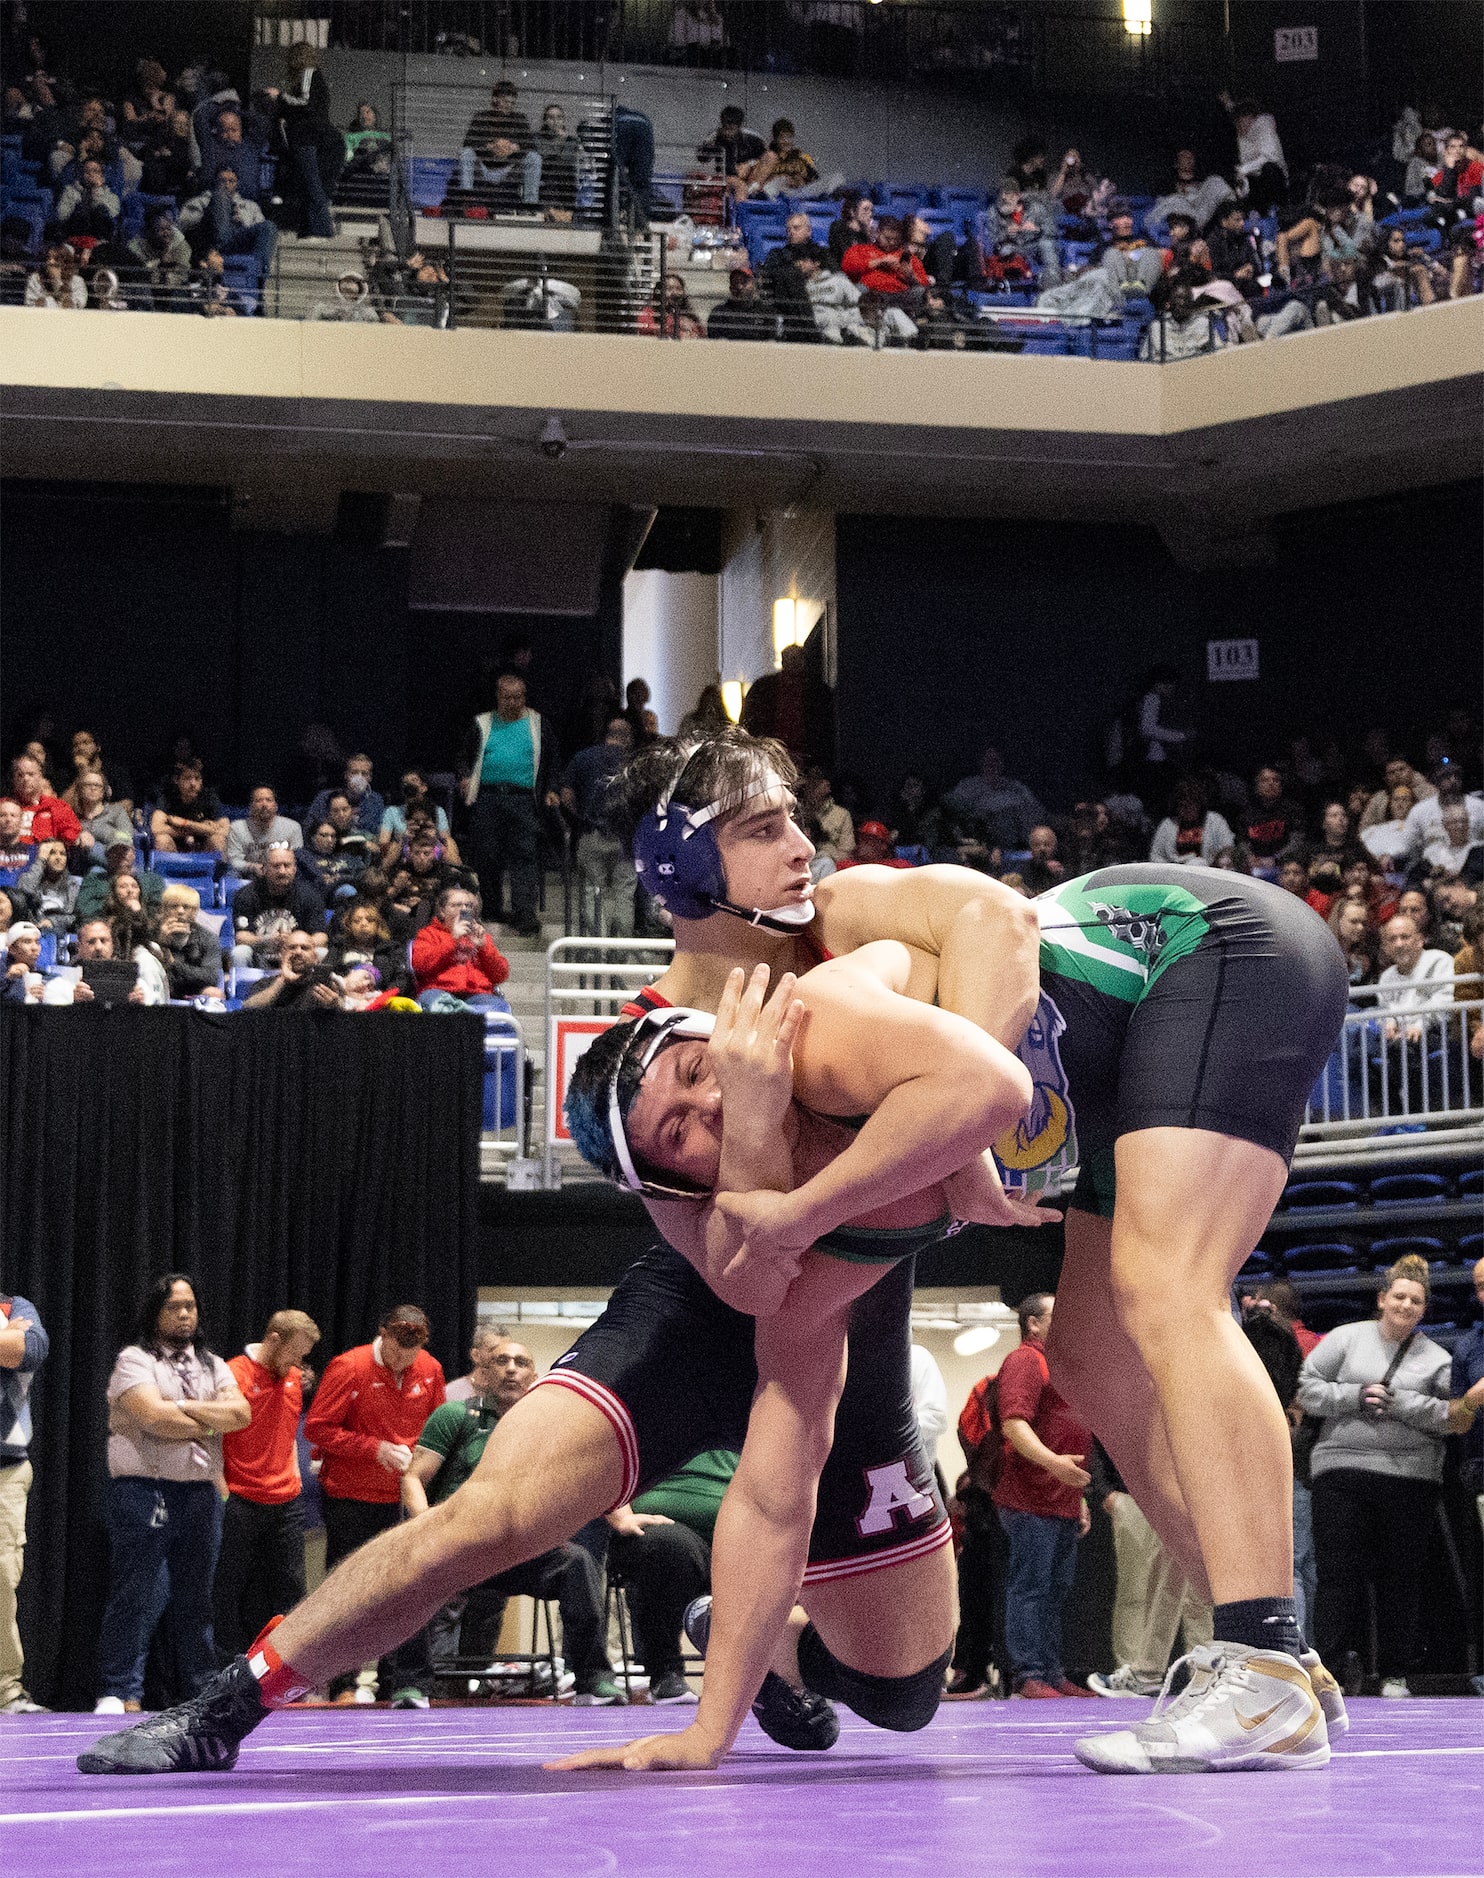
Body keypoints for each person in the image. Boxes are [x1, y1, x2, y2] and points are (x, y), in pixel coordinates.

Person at [76, 732, 1045, 1778]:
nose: (802, 847)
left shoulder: (840, 920)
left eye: (793, 819)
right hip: (712, 1298)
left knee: (903, 1695)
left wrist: (968, 1133)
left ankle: (778, 1649)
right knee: (487, 1517)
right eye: (763, 829)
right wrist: (776, 1125)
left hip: (847, 1299)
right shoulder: (645, 1045)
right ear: (682, 866)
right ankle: (230, 1702)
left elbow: (999, 917)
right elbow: (737, 1267)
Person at [398, 1335, 624, 1707]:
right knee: (410, 1565)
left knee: (577, 1563)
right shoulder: (456, 1416)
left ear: (534, 1375)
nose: (511, 1370)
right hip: (456, 1546)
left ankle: (593, 1679)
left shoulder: (548, 1429)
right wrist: (423, 1527)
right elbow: (412, 1477)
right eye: (501, 1361)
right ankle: (411, 1684)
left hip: (516, 1551)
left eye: (521, 1363)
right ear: (483, 1374)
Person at [1298, 1255, 1483, 1696]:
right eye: (1398, 1296)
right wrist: (1356, 1397)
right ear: (1382, 1299)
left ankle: (1396, 1670)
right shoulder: (1345, 1339)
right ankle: (1332, 1671)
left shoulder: (1438, 1358)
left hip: (1411, 1478)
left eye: (1415, 1301)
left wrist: (1400, 1403)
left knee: (1402, 1577)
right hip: (1340, 1471)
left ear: (1424, 1309)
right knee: (1338, 1575)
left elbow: (1454, 1417)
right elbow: (1305, 1388)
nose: (1405, 1305)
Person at [95, 1276, 249, 1714]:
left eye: (191, 1306)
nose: (185, 1314)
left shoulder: (213, 1364)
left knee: (196, 1598)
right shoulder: (134, 1360)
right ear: (155, 1313)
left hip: (200, 1494)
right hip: (144, 1490)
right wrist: (209, 1420)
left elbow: (242, 1414)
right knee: (137, 1593)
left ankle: (200, 1690)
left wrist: (179, 1410)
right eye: (174, 1307)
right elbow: (151, 1417)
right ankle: (119, 1689)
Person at [302, 1307, 445, 1701]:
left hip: (402, 1499)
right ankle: (344, 1682)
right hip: (350, 1497)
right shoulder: (349, 1366)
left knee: (404, 1588)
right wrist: (373, 1448)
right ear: (382, 1334)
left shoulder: (430, 1369)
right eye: (397, 1349)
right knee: (350, 1589)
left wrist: (418, 1459)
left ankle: (399, 1681)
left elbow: (438, 1428)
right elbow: (318, 1427)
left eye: (411, 1352)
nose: (403, 1360)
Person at [992, 1292, 1095, 1698]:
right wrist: (1054, 1465)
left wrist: (1078, 1497)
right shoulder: (1025, 1360)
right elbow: (1014, 1424)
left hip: (1059, 1499)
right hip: (1030, 1498)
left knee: (1054, 1589)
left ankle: (1050, 1672)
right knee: (1032, 1587)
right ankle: (1029, 1673)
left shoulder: (1055, 1363)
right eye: (1057, 1313)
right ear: (1033, 1323)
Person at [213, 1311, 321, 1661]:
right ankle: (227, 1670)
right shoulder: (233, 1374)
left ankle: (286, 1669)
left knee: (289, 1588)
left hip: (286, 1501)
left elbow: (288, 1431)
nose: (299, 1363)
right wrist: (223, 1491)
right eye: (295, 1353)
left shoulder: (292, 1377)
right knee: (230, 1588)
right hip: (241, 1498)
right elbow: (212, 1438)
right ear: (273, 1339)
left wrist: (295, 1479)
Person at [609, 1449, 739, 1705]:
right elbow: (604, 1462)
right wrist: (621, 1516)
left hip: (733, 1530)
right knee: (669, 1545)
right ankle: (664, 1671)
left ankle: (776, 1676)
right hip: (659, 1532)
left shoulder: (745, 1415)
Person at [461, 672, 560, 937]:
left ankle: (524, 915)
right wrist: (465, 777)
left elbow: (552, 760)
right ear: (498, 697)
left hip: (524, 800)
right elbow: (463, 755)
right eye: (508, 697)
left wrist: (551, 789)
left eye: (518, 697)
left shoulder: (538, 723)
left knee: (525, 857)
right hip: (488, 798)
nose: (513, 702)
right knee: (487, 856)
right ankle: (492, 910)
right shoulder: (481, 723)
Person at [0, 1285, 48, 1712]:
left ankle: (5, 1691)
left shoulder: (15, 1307)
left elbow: (28, 1351)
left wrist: (11, 1339)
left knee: (0, 1577)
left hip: (5, 1471)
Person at [562, 715, 639, 935]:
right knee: (624, 893)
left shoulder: (583, 758)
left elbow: (566, 796)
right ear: (628, 739)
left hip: (591, 832)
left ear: (607, 735)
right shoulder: (637, 762)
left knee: (591, 891)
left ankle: (597, 947)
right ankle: (621, 949)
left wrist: (578, 818)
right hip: (626, 838)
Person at [271, 42, 336, 238]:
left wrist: (280, 96)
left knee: (312, 185)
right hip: (312, 138)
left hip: (306, 139)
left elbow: (306, 102)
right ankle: (311, 228)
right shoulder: (317, 78)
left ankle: (324, 229)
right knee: (309, 186)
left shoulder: (309, 73)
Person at [410, 884, 510, 1008]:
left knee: (499, 1008)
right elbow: (420, 966)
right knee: (437, 1006)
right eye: (457, 905)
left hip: (477, 993)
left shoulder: (480, 936)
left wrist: (483, 948)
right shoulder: (428, 934)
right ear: (442, 911)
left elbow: (500, 975)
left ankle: (464, 1013)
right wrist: (453, 940)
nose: (464, 909)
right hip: (438, 990)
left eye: (468, 906)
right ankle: (465, 1014)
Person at [231, 844, 326, 968]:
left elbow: (321, 937)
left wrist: (296, 944)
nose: (282, 871)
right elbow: (241, 937)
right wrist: (266, 940)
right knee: (239, 952)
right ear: (264, 869)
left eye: (287, 865)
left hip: (298, 957)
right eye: (276, 866)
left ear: (294, 869)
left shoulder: (310, 895)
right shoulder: (246, 895)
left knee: (322, 952)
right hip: (260, 957)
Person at [943, 746, 1045, 856]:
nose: (992, 765)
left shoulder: (1016, 788)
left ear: (1001, 764)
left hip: (1012, 845)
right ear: (981, 763)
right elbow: (950, 805)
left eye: (995, 761)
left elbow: (1035, 809)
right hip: (978, 842)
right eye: (988, 761)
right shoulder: (967, 786)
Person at [240, 929, 341, 1012]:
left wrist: (335, 1005)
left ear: (315, 957)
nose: (298, 952)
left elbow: (345, 1016)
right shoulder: (266, 983)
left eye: (304, 948)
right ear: (282, 955)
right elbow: (247, 1009)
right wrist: (282, 980)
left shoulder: (326, 985)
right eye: (292, 947)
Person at [156, 884, 224, 999]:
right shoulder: (151, 933)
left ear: (195, 912)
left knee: (215, 993)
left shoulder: (208, 938)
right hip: (158, 984)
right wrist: (161, 943)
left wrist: (174, 963)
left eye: (186, 907)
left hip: (190, 987)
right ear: (163, 909)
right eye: (173, 906)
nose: (180, 911)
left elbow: (211, 977)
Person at [1149, 779, 1235, 866]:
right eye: (1183, 806)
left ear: (1199, 805)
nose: (1187, 810)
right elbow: (1156, 855)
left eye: (1191, 805)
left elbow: (1227, 847)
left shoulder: (1215, 821)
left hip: (1208, 870)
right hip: (1176, 872)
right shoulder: (1167, 824)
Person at [151, 759, 227, 855]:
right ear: (176, 780)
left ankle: (214, 870)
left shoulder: (209, 796)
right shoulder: (167, 797)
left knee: (218, 839)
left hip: (203, 849)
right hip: (175, 850)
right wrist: (203, 828)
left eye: (197, 778)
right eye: (187, 778)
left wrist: (186, 823)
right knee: (162, 839)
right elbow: (156, 828)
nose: (193, 784)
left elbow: (224, 830)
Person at [378, 769, 457, 859]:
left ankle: (459, 870)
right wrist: (403, 837)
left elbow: (446, 840)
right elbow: (383, 844)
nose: (409, 785)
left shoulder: (437, 811)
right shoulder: (392, 811)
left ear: (424, 787)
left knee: (450, 843)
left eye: (414, 781)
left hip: (431, 855)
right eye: (405, 783)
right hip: (403, 855)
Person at [226, 787, 303, 878]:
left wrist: (274, 868)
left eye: (269, 800)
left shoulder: (293, 827)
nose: (264, 804)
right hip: (248, 875)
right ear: (251, 806)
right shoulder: (237, 828)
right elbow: (233, 861)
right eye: (259, 800)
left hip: (282, 873)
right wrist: (252, 867)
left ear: (276, 806)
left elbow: (298, 859)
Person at [5, 753, 79, 846]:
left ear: (40, 777)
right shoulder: (3, 806)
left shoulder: (57, 806)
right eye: (20, 775)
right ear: (14, 779)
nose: (25, 779)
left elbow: (72, 835)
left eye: (31, 774)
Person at [307, 754, 385, 840]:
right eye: (354, 772)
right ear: (346, 775)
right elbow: (309, 829)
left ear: (370, 777)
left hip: (362, 849)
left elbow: (377, 834)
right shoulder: (324, 797)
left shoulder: (376, 801)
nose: (359, 777)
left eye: (364, 773)